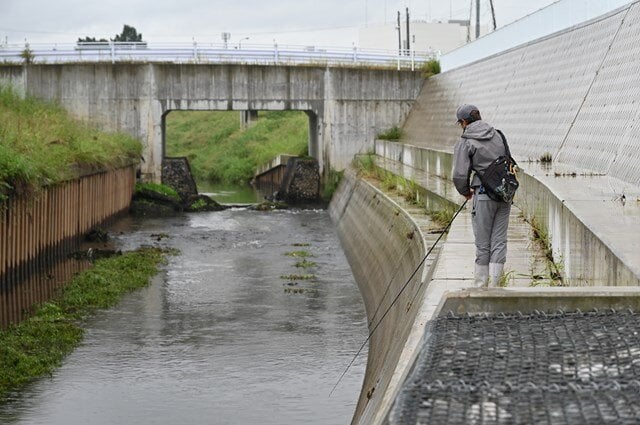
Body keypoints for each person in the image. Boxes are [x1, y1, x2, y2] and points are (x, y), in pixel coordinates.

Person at [452, 104, 511, 287]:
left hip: (483, 195)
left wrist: (465, 192)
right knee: (499, 240)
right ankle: (495, 286)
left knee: (483, 243)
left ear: (463, 122)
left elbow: (459, 175)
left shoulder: (465, 141)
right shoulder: (498, 135)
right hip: (504, 194)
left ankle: (480, 286)